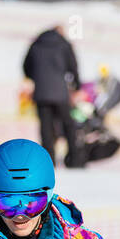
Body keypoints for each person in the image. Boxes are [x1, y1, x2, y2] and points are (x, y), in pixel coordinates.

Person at [22, 25, 82, 167]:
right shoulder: (64, 44)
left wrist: (37, 77)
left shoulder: (36, 44)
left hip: (41, 92)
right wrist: (77, 85)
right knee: (68, 125)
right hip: (60, 93)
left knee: (46, 128)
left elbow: (26, 67)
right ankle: (74, 159)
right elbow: (73, 66)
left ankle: (49, 162)